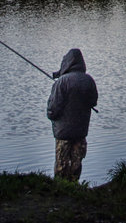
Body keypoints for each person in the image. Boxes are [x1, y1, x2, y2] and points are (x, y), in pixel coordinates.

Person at [47, 48, 98, 181]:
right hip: (81, 132)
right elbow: (93, 101)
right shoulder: (89, 80)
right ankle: (75, 188)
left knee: (61, 166)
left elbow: (53, 110)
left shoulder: (61, 82)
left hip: (63, 133)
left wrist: (51, 115)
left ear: (66, 63)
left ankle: (60, 191)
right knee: (76, 164)